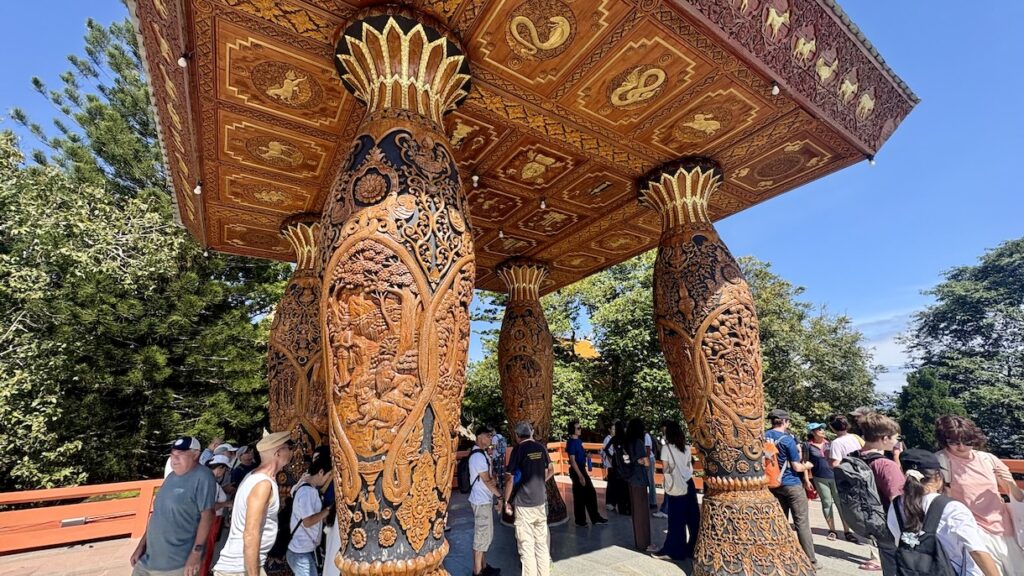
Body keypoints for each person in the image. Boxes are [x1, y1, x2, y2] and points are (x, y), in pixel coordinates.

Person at [887, 449, 1001, 576]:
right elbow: (977, 551)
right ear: (937, 476)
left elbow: (898, 541)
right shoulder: (952, 508)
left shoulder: (896, 505)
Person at [934, 415, 1024, 575]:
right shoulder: (941, 461)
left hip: (1004, 526)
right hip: (973, 529)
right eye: (953, 442)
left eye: (967, 441)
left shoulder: (987, 459)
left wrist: (1009, 483)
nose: (961, 446)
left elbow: (1017, 497)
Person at [131, 436, 218, 576]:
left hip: (177, 564)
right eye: (172, 454)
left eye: (180, 454)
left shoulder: (203, 477)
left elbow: (208, 515)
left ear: (196, 455)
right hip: (148, 559)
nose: (174, 458)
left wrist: (196, 553)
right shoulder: (171, 477)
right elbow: (158, 514)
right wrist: (140, 545)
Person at [213, 430, 294, 576]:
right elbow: (251, 533)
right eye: (289, 447)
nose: (292, 451)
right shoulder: (263, 484)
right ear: (278, 452)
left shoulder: (253, 476)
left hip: (242, 566)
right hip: (239, 568)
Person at [852, 412, 904, 574]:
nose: (897, 442)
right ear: (884, 438)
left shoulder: (854, 458)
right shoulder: (885, 465)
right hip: (890, 524)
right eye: (896, 438)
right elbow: (898, 500)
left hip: (870, 520)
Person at [765, 409, 818, 567]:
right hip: (791, 483)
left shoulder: (762, 436)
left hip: (773, 484)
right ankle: (810, 559)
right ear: (785, 422)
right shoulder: (787, 440)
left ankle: (778, 555)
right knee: (801, 522)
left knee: (779, 521)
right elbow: (796, 466)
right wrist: (807, 465)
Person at [503, 421, 554, 576]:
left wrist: (506, 501)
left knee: (526, 548)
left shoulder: (518, 450)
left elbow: (510, 478)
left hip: (524, 504)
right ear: (530, 433)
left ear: (517, 436)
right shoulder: (541, 448)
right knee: (541, 545)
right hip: (540, 502)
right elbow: (551, 470)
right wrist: (540, 481)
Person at [652, 421, 699, 561]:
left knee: (676, 520)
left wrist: (666, 483)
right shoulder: (686, 447)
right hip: (689, 485)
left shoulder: (666, 449)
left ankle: (674, 551)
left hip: (676, 486)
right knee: (692, 518)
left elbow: (666, 470)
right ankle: (692, 549)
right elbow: (689, 467)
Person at [286, 455, 334, 576]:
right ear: (321, 472)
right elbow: (307, 522)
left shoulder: (309, 489)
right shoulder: (307, 492)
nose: (328, 480)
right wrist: (327, 511)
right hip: (300, 553)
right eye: (328, 476)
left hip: (306, 550)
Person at [802, 422, 849, 541]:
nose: (822, 431)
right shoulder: (808, 446)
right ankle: (832, 530)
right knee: (826, 503)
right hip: (820, 477)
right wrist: (807, 480)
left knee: (840, 504)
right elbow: (805, 463)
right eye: (819, 429)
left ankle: (847, 531)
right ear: (813, 432)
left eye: (823, 429)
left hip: (836, 477)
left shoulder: (831, 444)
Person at [469, 425, 503, 576]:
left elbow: (489, 478)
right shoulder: (477, 456)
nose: (490, 438)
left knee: (485, 535)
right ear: (479, 437)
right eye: (487, 436)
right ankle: (477, 572)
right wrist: (500, 497)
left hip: (484, 499)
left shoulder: (482, 454)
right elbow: (487, 481)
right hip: (481, 501)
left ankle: (483, 566)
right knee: (481, 536)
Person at [565, 420, 606, 527]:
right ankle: (582, 520)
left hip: (581, 468)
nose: (580, 430)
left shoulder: (578, 441)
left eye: (580, 427)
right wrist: (580, 475)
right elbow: (572, 460)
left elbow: (580, 454)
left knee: (586, 494)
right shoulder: (571, 443)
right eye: (578, 428)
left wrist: (586, 455)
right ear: (572, 430)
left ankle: (590, 518)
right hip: (577, 470)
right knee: (584, 494)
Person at [623, 418, 656, 552]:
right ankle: (645, 544)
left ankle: (639, 542)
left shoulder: (627, 442)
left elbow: (627, 460)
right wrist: (646, 463)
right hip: (640, 479)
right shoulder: (638, 442)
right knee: (642, 512)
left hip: (631, 479)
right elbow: (645, 461)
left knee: (636, 512)